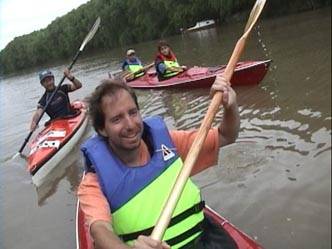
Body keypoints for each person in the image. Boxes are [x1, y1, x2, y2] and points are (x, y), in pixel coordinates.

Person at [77, 75, 239, 249]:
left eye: (133, 112)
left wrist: (230, 106)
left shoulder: (170, 144)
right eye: (117, 119)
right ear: (102, 129)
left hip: (206, 239)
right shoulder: (93, 183)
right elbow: (100, 230)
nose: (130, 124)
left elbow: (226, 135)